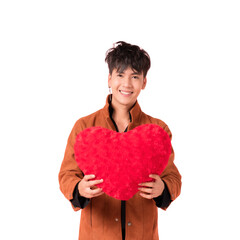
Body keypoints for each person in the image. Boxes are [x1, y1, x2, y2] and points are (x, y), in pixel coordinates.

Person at [58, 41, 182, 240]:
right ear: (109, 79)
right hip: (96, 233)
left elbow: (173, 177)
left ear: (144, 82)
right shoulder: (85, 126)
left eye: (135, 76)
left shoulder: (157, 130)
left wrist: (163, 188)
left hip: (143, 233)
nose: (126, 84)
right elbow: (67, 174)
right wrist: (78, 188)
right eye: (120, 75)